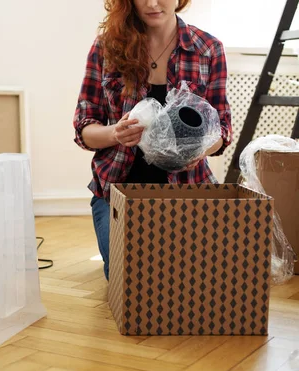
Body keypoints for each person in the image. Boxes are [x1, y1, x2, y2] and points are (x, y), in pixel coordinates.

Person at [73, 0, 232, 281]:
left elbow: (222, 131)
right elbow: (85, 129)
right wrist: (115, 133)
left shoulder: (208, 49)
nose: (152, 3)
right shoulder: (107, 47)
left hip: (189, 190)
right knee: (131, 282)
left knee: (196, 281)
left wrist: (197, 152)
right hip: (117, 191)